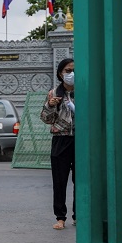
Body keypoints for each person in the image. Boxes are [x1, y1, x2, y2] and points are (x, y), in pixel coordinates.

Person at [40, 58, 75, 230]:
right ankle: (60, 217)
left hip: (81, 138)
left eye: (74, 70)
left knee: (81, 180)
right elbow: (46, 119)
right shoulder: (54, 93)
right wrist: (50, 105)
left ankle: (79, 215)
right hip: (61, 139)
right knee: (59, 180)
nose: (72, 74)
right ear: (61, 74)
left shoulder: (84, 90)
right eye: (68, 71)